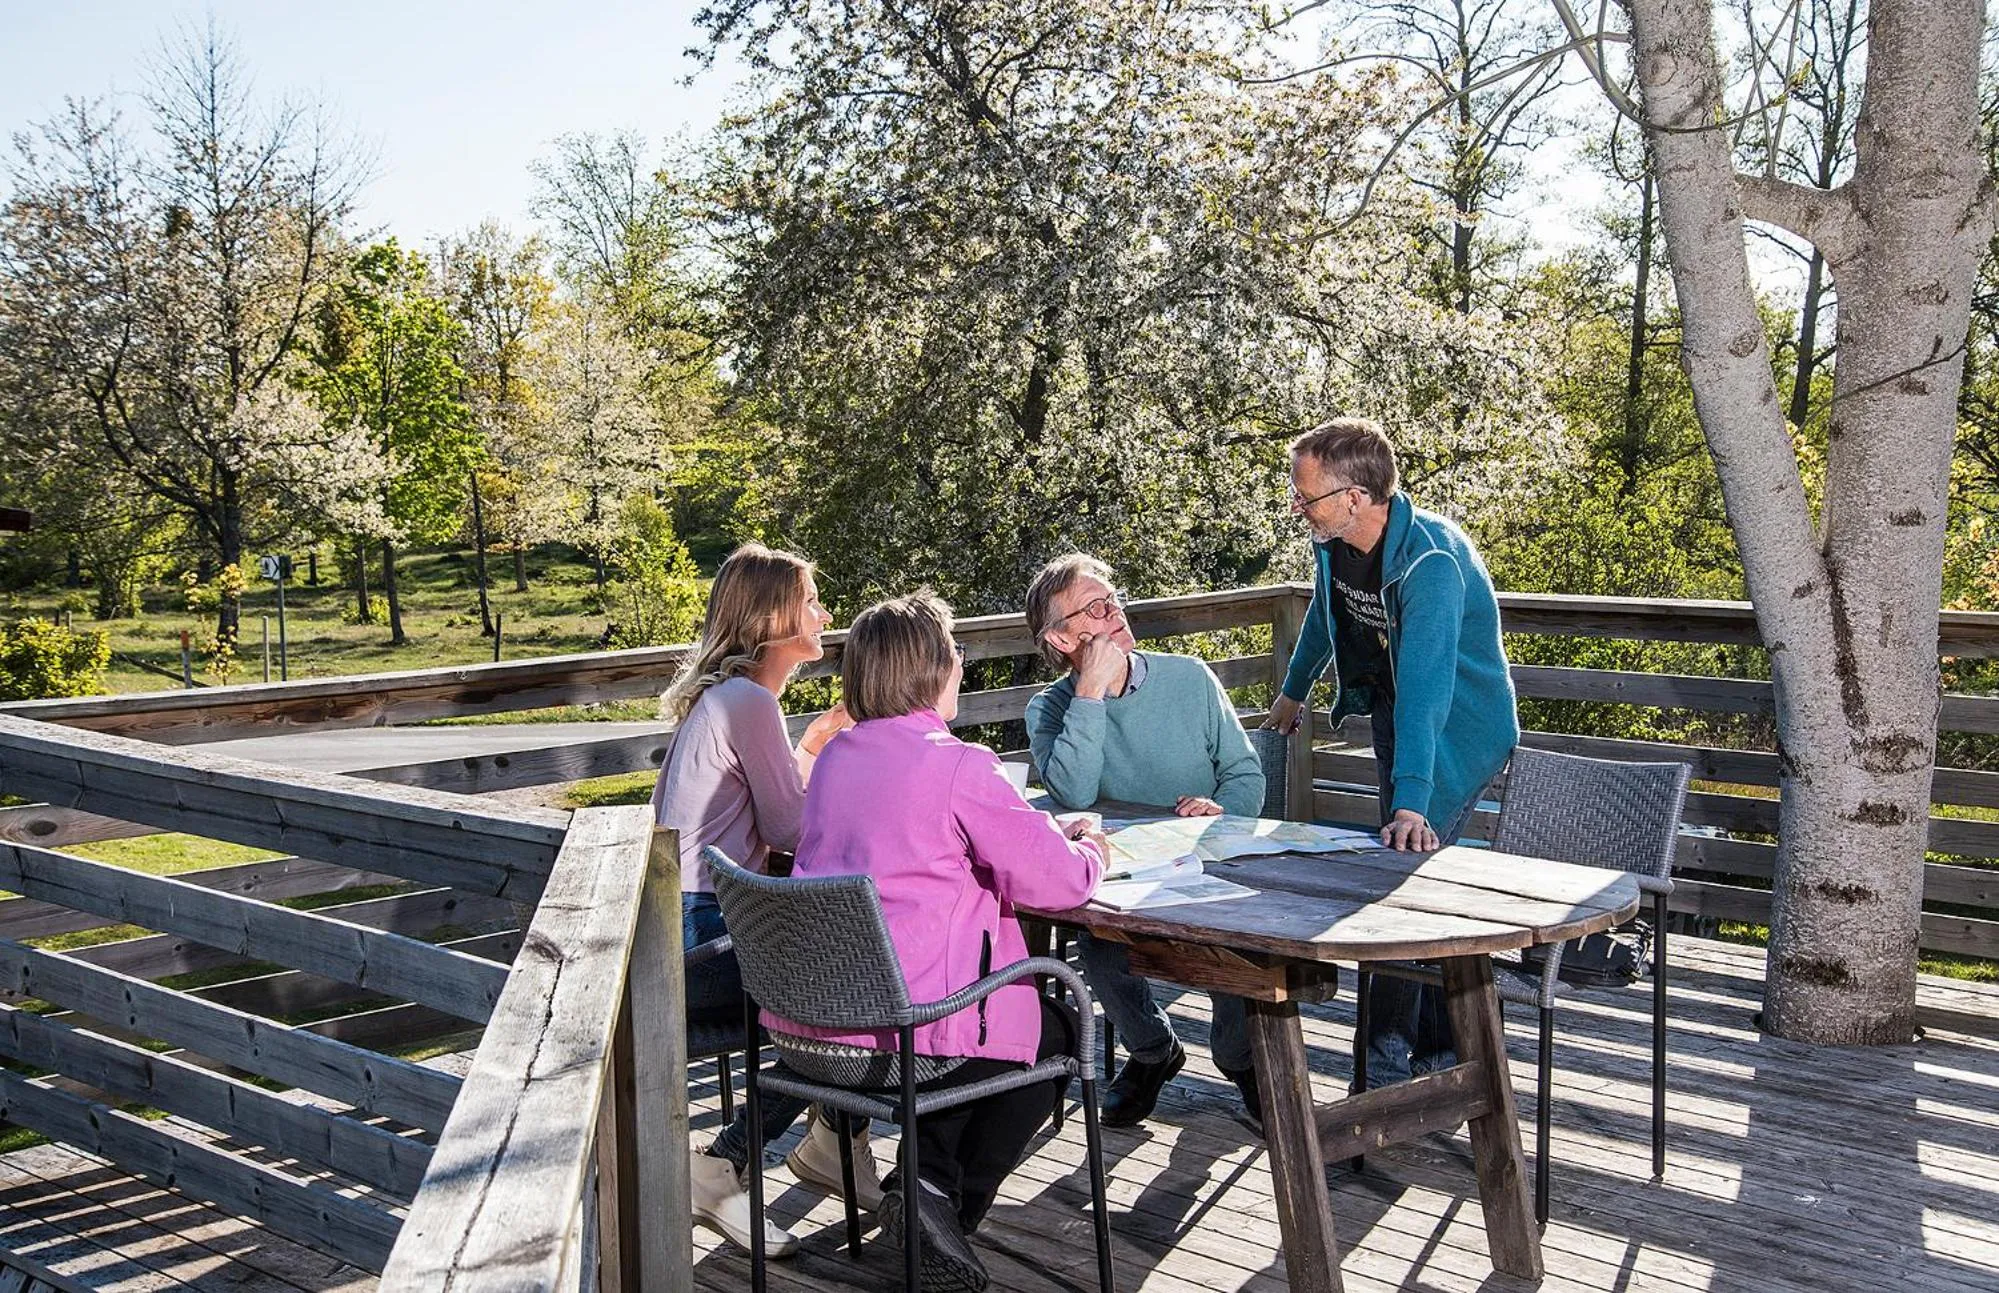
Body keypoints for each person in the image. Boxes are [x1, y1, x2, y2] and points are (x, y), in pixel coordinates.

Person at [780, 591, 1108, 1292]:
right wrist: (1092, 849)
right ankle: (940, 1202)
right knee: (1057, 1026)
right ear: (931, 667)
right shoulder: (959, 763)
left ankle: (926, 1188)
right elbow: (1059, 883)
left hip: (812, 1032)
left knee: (982, 1024)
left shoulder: (834, 760)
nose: (960, 663)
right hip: (906, 1037)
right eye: (954, 652)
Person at [1262, 417, 1518, 1089]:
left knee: (1395, 885)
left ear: (1353, 496)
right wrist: (1294, 692)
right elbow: (1324, 614)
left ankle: (1387, 1074)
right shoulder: (1337, 541)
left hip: (1455, 729)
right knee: (1410, 883)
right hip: (1393, 710)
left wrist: (1411, 801)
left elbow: (1429, 692)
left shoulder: (1429, 563)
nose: (1297, 505)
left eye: (1305, 494)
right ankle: (1434, 1057)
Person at [654, 543, 871, 1256]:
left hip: (689, 925)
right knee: (848, 992)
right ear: (775, 614)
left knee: (847, 977)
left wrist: (807, 745)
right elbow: (789, 828)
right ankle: (729, 1160)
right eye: (811, 600)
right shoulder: (746, 699)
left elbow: (773, 819)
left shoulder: (736, 698)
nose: (825, 613)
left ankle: (832, 1146)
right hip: (696, 934)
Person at [1023, 553, 1267, 1130]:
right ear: (1061, 637)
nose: (1116, 615)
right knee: (1099, 947)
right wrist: (1090, 695)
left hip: (1207, 861)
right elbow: (1072, 791)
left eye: (1113, 600)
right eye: (1095, 609)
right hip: (1118, 874)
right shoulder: (1051, 708)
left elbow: (1246, 773)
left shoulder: (1190, 677)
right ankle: (1155, 1050)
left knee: (1237, 947)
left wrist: (1219, 810)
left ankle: (1240, 1061)